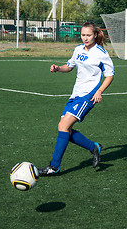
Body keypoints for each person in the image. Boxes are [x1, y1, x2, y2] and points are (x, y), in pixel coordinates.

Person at [38, 21, 115, 176]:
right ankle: (94, 147)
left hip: (88, 95)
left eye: (88, 35)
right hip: (75, 94)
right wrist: (58, 68)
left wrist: (99, 91)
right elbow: (69, 66)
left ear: (94, 35)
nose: (85, 38)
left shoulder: (101, 53)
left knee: (64, 126)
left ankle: (54, 166)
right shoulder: (78, 49)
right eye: (83, 35)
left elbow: (110, 75)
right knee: (63, 127)